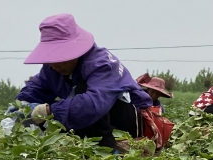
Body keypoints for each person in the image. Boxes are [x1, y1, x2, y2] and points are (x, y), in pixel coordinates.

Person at [16, 13, 152, 150]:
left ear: (75, 51)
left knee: (82, 92)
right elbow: (37, 88)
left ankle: (107, 152)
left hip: (129, 120)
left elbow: (94, 104)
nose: (54, 65)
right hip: (92, 120)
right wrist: (22, 105)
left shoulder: (102, 63)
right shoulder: (52, 68)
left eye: (59, 58)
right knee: (47, 113)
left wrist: (50, 111)